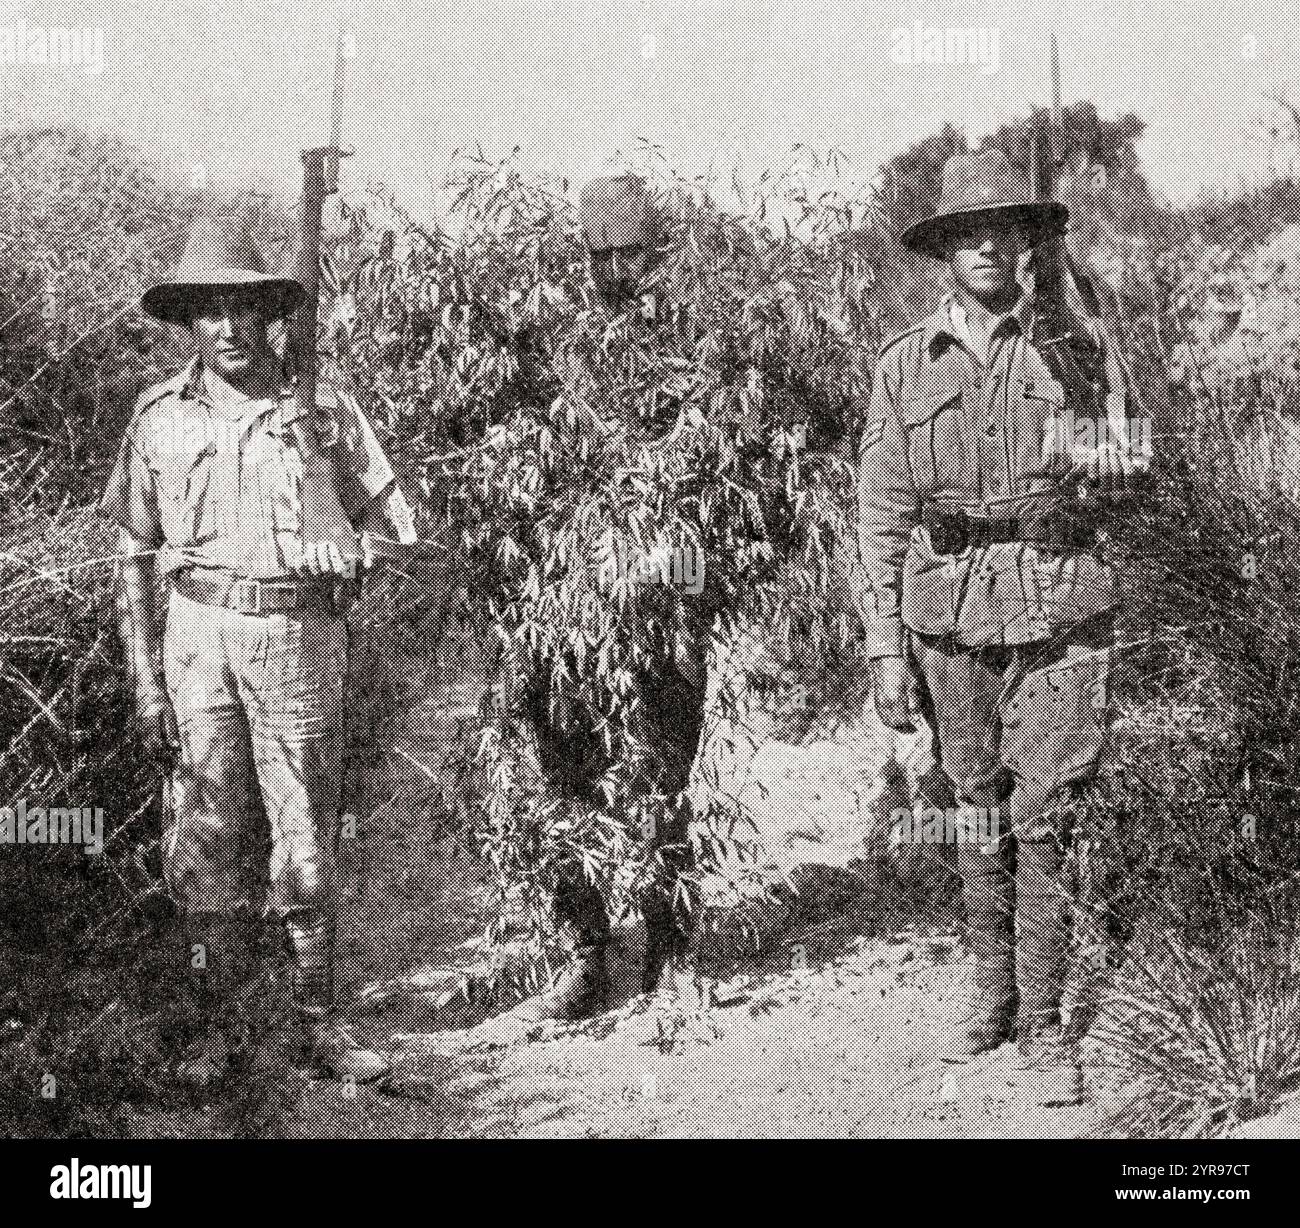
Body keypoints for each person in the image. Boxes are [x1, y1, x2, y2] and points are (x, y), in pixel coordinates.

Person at [101, 211, 416, 1085]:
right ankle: (218, 1031)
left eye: (244, 307)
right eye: (209, 310)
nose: (229, 327)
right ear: (188, 321)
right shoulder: (158, 416)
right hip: (195, 641)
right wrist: (145, 684)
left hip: (297, 640)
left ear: (272, 314)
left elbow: (397, 533)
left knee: (305, 838)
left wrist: (351, 555)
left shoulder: (325, 412)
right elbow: (132, 556)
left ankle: (319, 1024)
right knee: (203, 841)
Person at [857, 149, 1147, 1090]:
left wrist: (1093, 419)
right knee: (975, 805)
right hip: (950, 617)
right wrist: (885, 647)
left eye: (1002, 230)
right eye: (967, 233)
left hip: (1060, 606)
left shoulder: (1076, 344)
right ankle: (991, 995)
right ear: (945, 250)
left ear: (1026, 242)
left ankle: (1045, 1020)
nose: (985, 246)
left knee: (1048, 811)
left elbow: (1136, 467)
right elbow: (881, 514)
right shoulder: (906, 364)